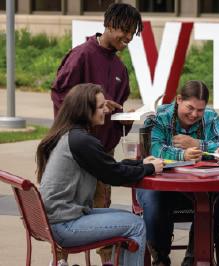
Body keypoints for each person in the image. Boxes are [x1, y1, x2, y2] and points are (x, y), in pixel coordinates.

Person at [51, 3, 143, 262]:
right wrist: (94, 106)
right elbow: (60, 95)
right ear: (110, 24)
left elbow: (116, 110)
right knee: (66, 216)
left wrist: (125, 118)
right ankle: (60, 262)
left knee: (103, 217)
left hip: (103, 153)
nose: (128, 38)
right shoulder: (81, 55)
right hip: (72, 155)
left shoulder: (120, 69)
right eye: (125, 31)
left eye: (132, 33)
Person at [37, 83, 164, 266]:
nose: (106, 110)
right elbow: (113, 175)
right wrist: (150, 169)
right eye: (101, 106)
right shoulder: (81, 140)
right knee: (136, 225)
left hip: (58, 220)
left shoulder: (70, 135)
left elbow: (107, 167)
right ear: (84, 110)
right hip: (65, 225)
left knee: (132, 220)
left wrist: (142, 163)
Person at [137, 80, 219, 266]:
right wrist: (183, 154)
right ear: (179, 99)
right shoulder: (158, 116)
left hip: (199, 188)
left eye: (200, 110)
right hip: (160, 186)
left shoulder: (211, 116)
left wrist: (198, 144)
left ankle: (194, 259)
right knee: (154, 201)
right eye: (190, 108)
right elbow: (153, 150)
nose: (194, 114)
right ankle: (160, 259)